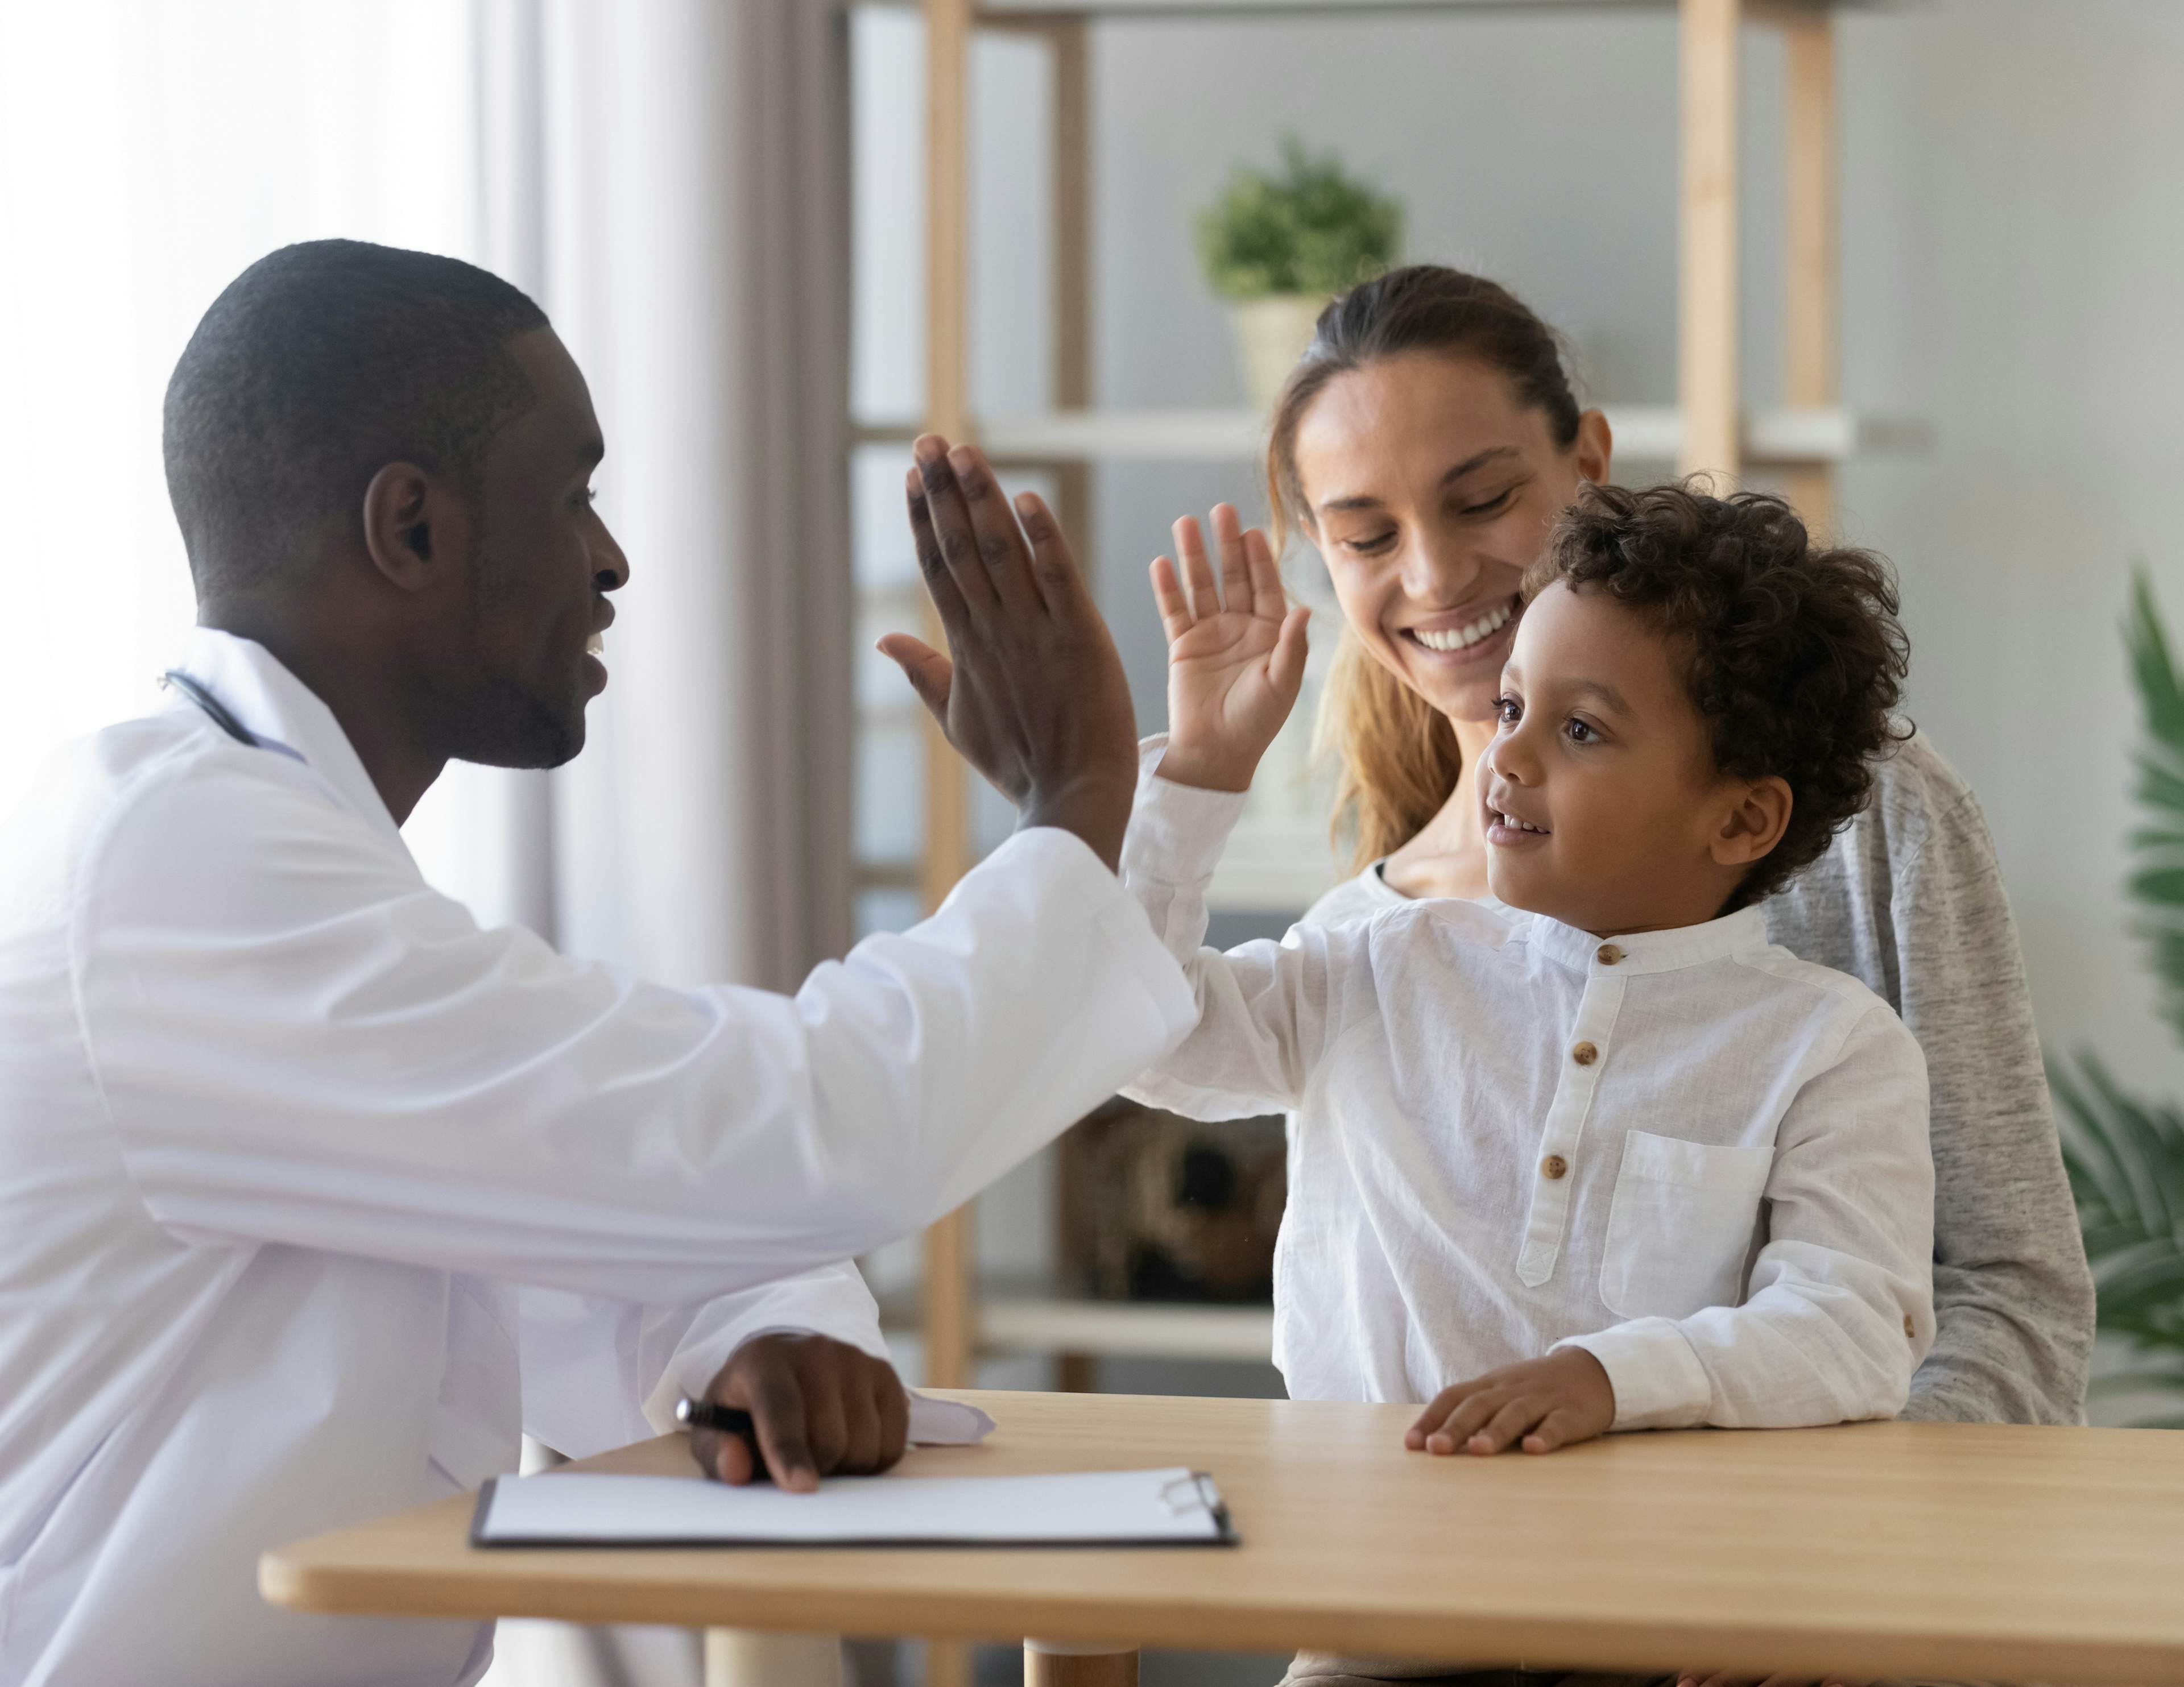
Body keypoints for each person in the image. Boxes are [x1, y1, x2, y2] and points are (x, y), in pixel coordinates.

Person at [0, 239, 1189, 1687]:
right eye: (572, 495)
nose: (612, 557)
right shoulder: (183, 868)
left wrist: (752, 1324)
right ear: (412, 530)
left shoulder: (245, 848)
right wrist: (1073, 807)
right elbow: (790, 1126)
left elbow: (587, 1202)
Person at [1251, 264, 2092, 1436]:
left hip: (1776, 1591)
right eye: (1365, 533)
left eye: (1483, 499)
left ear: (1587, 462)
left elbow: (2010, 1292)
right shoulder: (1367, 943)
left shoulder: (1871, 817)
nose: (1433, 574)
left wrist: (1813, 1546)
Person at [1124, 479, 1934, 1685]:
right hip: (1375, 1603)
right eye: (1512, 705)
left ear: (1743, 817)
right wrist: (1195, 774)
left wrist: (1610, 1379)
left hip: (1673, 1615)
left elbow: (1853, 1329)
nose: (1503, 754)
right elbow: (1143, 1030)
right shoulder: (1374, 959)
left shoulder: (1831, 1045)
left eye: (1582, 729)